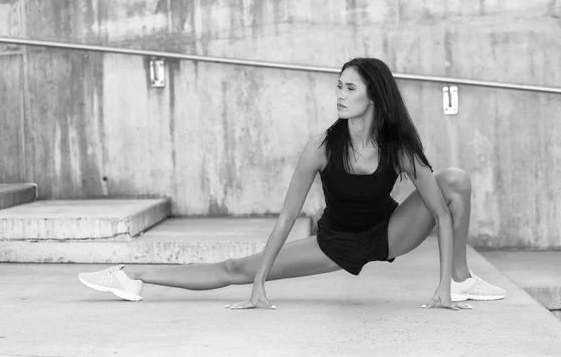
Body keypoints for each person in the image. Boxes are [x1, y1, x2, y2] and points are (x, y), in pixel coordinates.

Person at [78, 57, 505, 310]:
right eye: (338, 86)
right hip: (333, 243)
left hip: (388, 235)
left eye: (349, 87)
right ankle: (130, 275)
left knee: (455, 180)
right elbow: (286, 217)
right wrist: (260, 281)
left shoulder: (399, 147)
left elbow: (440, 214)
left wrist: (444, 288)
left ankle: (463, 277)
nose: (339, 94)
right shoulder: (320, 146)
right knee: (236, 270)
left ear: (372, 96)